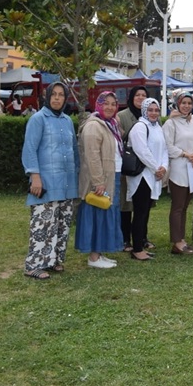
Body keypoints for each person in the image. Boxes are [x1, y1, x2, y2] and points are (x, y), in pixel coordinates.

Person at [21, 82, 79, 280]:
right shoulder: (38, 119)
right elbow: (29, 149)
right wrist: (34, 176)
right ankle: (33, 265)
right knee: (43, 223)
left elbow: (74, 149)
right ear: (47, 97)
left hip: (67, 181)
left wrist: (77, 175)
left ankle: (54, 260)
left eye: (61, 95)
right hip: (45, 181)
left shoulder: (67, 121)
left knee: (62, 223)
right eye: (53, 94)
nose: (56, 98)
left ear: (65, 98)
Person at [75, 91, 125, 269]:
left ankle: (100, 252)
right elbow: (92, 156)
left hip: (111, 175)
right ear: (98, 105)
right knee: (97, 215)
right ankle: (94, 257)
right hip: (100, 179)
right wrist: (98, 181)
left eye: (113, 103)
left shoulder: (109, 124)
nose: (110, 107)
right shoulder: (93, 126)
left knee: (106, 213)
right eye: (106, 103)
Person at [125, 97, 168, 261]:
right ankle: (136, 249)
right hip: (142, 176)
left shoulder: (158, 127)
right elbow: (142, 151)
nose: (154, 113)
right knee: (140, 213)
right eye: (150, 110)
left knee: (145, 212)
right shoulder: (140, 127)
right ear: (144, 110)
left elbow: (164, 149)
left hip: (154, 175)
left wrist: (164, 166)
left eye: (156, 110)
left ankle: (140, 245)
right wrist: (157, 168)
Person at [162, 92, 193, 255]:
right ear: (177, 104)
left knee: (185, 206)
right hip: (178, 168)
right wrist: (186, 154)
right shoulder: (171, 124)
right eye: (183, 103)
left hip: (192, 168)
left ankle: (182, 240)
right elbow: (168, 147)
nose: (186, 106)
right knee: (177, 206)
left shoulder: (191, 122)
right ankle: (176, 242)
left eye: (189, 103)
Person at [118, 85, 149, 252]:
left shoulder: (151, 115)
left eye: (144, 95)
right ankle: (125, 239)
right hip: (129, 166)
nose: (141, 98)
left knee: (144, 204)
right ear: (131, 97)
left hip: (146, 167)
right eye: (137, 95)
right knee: (126, 203)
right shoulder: (122, 116)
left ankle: (143, 236)